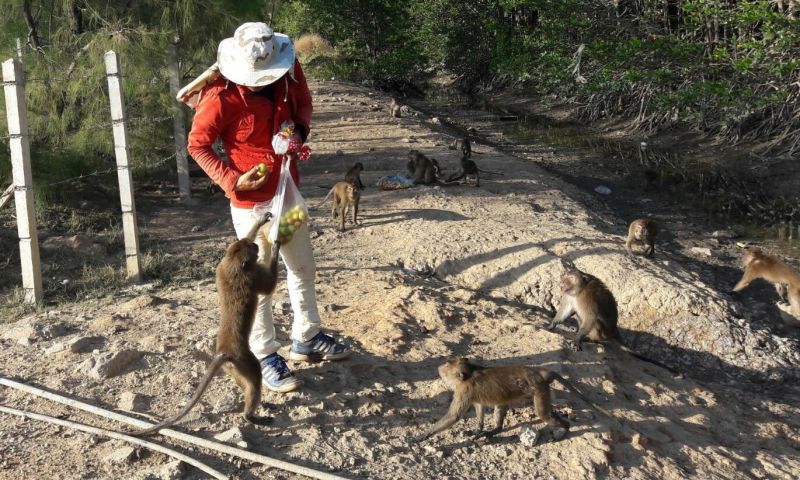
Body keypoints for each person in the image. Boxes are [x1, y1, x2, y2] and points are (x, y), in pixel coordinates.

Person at [187, 22, 350, 393]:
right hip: (252, 205)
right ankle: (264, 353)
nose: (261, 83)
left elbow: (305, 105)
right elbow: (197, 145)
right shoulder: (219, 98)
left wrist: (298, 133)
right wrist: (231, 179)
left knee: (301, 266)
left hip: (288, 194)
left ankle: (306, 337)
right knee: (258, 283)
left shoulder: (289, 74)